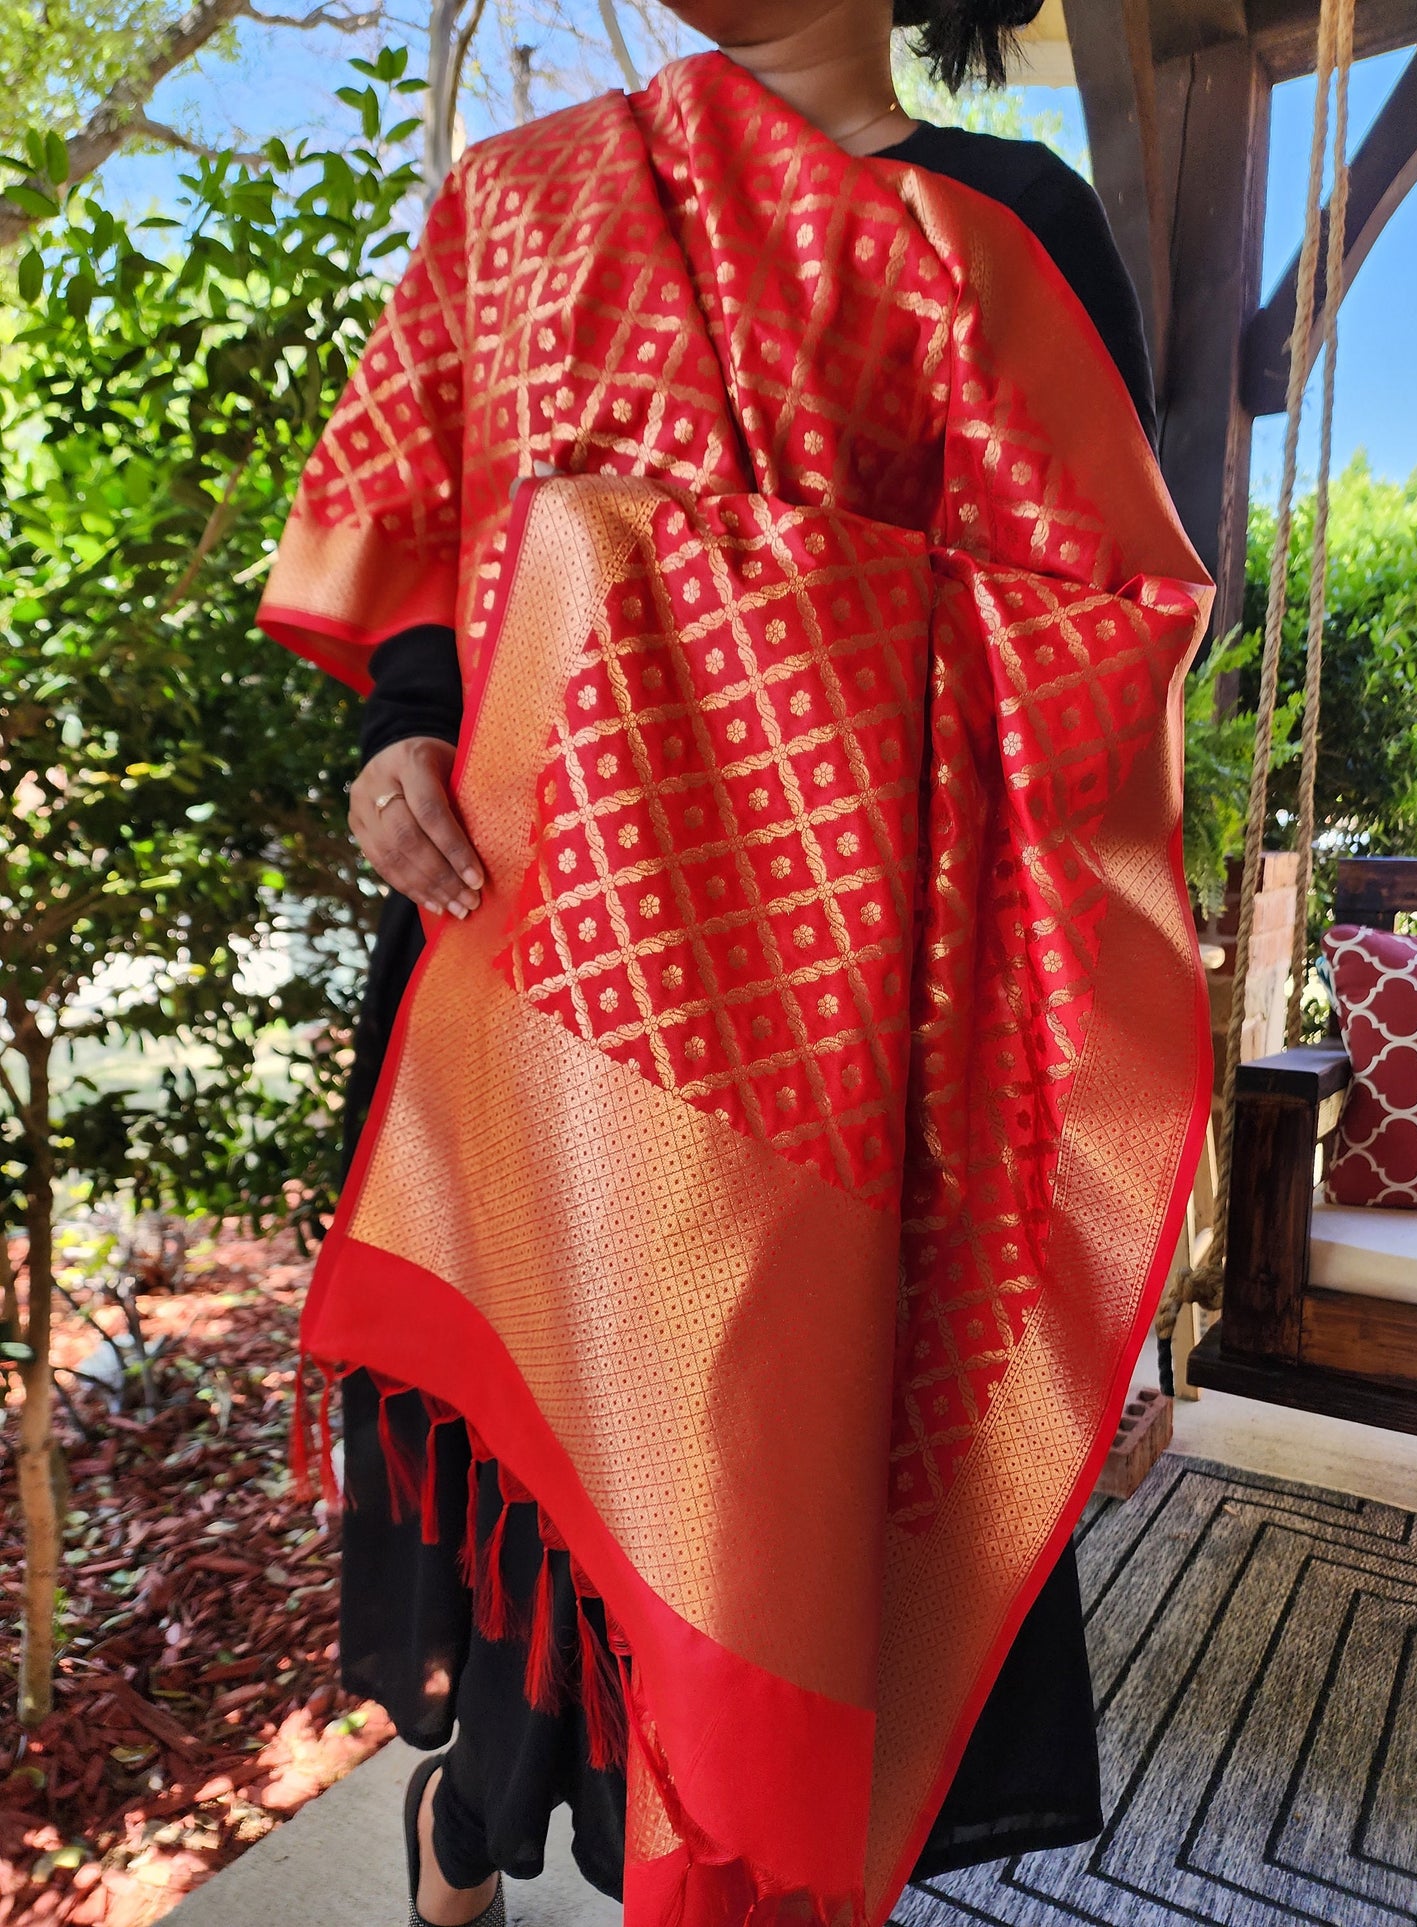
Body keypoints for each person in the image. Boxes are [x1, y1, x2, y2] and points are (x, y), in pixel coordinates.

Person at [256, 5, 1213, 1925]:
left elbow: (1094, 617)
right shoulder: (514, 202)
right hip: (533, 972)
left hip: (847, 1020)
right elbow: (431, 533)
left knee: (767, 1497)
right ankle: (469, 1823)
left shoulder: (1009, 221)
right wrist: (398, 732)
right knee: (557, 1500)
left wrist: (709, 596)